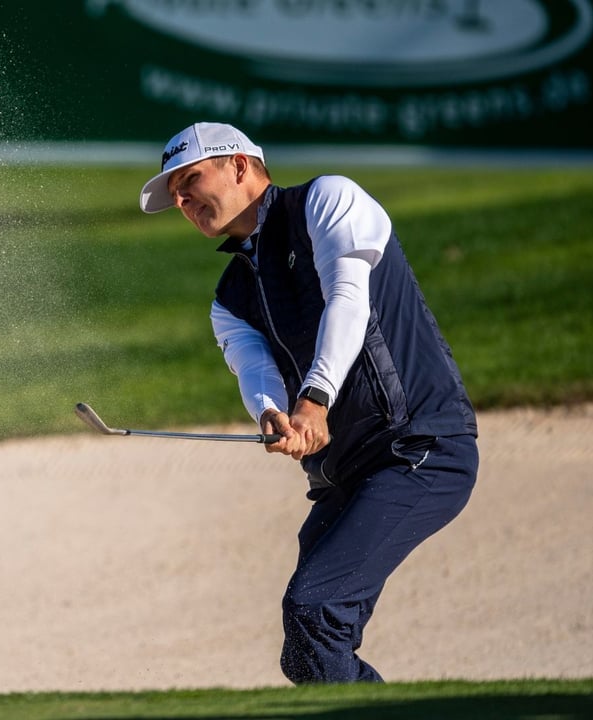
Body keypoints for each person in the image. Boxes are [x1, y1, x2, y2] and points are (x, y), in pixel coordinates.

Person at [138, 122, 479, 684]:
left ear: (241, 167)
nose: (181, 199)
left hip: (419, 449)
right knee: (305, 649)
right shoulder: (229, 297)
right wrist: (273, 414)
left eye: (190, 179)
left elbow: (349, 300)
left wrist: (314, 401)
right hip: (346, 475)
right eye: (174, 193)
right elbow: (255, 371)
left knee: (315, 609)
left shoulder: (329, 199)